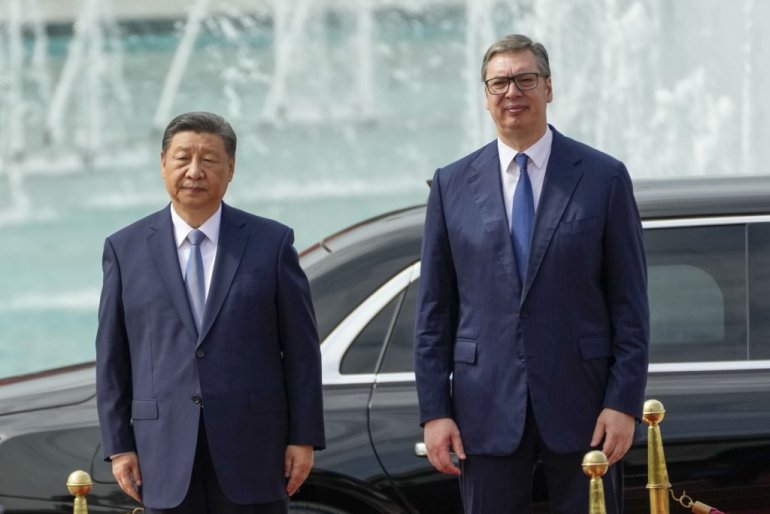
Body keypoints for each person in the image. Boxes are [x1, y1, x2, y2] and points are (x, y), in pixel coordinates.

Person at [414, 34, 649, 514]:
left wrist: (623, 403)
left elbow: (630, 305)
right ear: (485, 96)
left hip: (587, 409)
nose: (512, 92)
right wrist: (435, 411)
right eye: (499, 83)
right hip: (484, 408)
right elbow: (434, 312)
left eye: (525, 79)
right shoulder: (451, 184)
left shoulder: (602, 177)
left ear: (548, 88)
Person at [96, 111, 325, 514]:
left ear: (231, 168)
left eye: (209, 160)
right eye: (183, 158)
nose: (194, 171)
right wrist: (118, 446)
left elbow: (301, 351)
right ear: (163, 163)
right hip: (160, 452)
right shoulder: (125, 249)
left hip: (254, 450)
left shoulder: (270, 243)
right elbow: (112, 358)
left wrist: (303, 437)